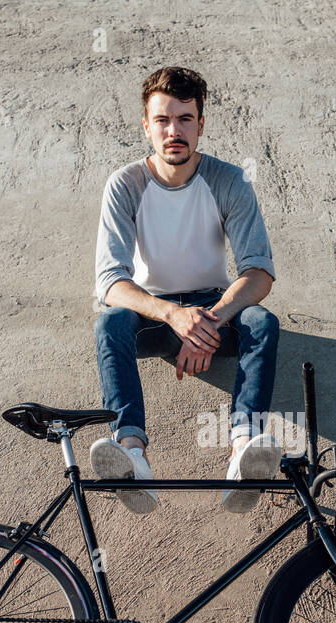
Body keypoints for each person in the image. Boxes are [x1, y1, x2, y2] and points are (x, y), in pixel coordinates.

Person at [93, 65, 281, 514]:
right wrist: (174, 317)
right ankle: (133, 456)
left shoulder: (229, 180)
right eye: (162, 120)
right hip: (151, 317)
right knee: (111, 323)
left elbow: (259, 273)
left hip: (214, 307)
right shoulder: (125, 184)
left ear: (201, 124)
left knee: (260, 321)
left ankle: (240, 453)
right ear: (146, 126)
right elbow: (110, 284)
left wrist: (207, 321)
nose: (173, 130)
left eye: (184, 119)